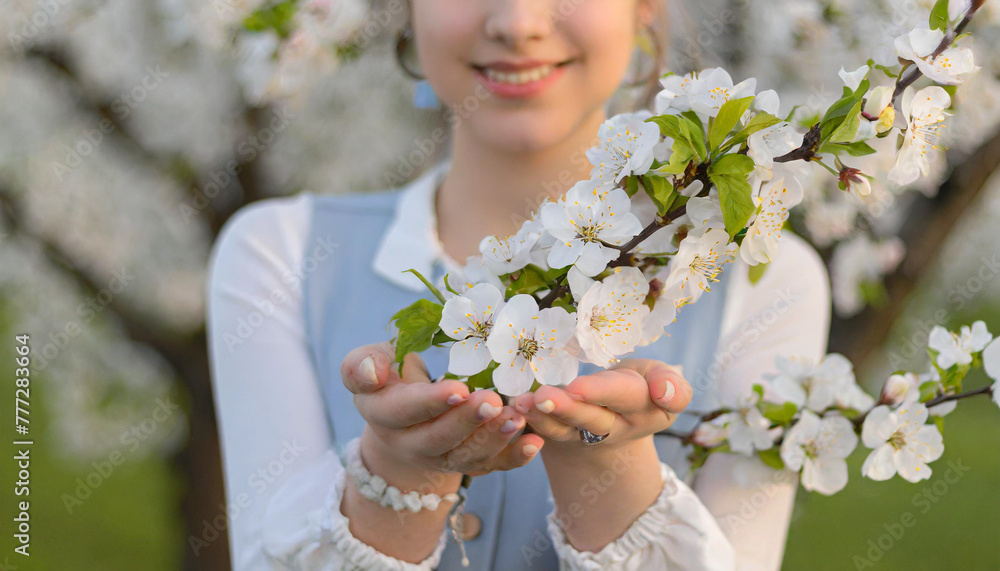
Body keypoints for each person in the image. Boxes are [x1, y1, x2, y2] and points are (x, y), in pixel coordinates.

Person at [206, 0, 831, 568]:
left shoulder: (763, 281)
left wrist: (608, 469)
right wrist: (397, 479)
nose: (518, 22)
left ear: (644, 9)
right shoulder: (282, 256)